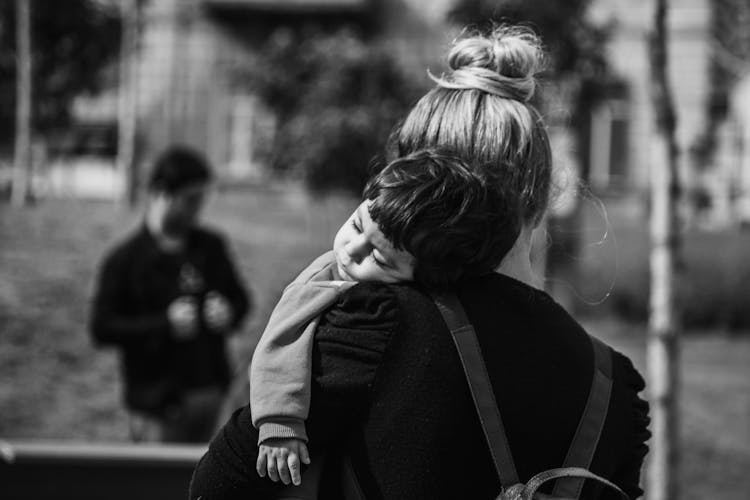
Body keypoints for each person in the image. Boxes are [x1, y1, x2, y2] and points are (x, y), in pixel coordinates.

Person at [189, 25, 650, 499]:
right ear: (538, 200)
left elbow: (217, 488)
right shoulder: (613, 384)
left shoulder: (379, 324)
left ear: (409, 188)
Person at [249, 149, 520, 486]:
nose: (352, 248)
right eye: (357, 224)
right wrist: (279, 424)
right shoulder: (322, 280)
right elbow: (281, 340)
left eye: (376, 256)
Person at [90, 146, 251, 443]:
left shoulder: (212, 247)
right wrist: (165, 324)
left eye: (201, 199)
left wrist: (229, 312)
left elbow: (242, 300)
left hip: (214, 397)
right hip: (157, 407)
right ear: (160, 193)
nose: (197, 209)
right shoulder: (125, 260)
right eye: (190, 200)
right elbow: (102, 328)